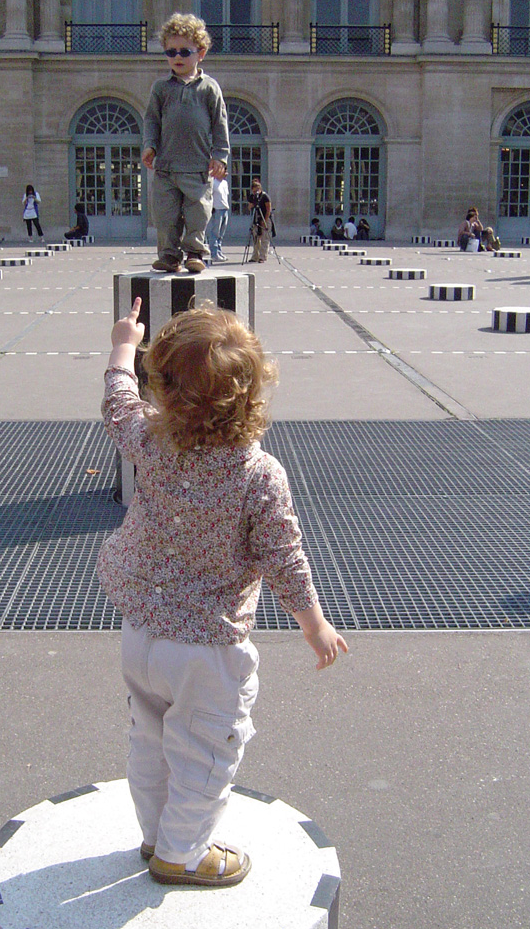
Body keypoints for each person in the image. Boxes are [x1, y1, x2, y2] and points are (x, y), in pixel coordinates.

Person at [99, 297, 347, 889]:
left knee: (150, 740)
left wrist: (123, 344)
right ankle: (182, 854)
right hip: (207, 647)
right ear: (251, 394)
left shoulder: (149, 439)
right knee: (206, 752)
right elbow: (284, 559)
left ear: (162, 388)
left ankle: (156, 836)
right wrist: (315, 626)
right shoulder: (258, 474)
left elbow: (117, 402)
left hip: (140, 630)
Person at [142, 13, 229, 274]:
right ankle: (169, 255)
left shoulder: (209, 88)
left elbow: (220, 123)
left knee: (197, 213)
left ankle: (194, 253)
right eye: (171, 52)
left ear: (200, 53)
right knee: (165, 215)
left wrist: (220, 156)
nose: (177, 57)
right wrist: (150, 145)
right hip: (166, 167)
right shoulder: (161, 88)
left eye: (184, 51)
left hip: (197, 167)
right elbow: (152, 120)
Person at [247, 179, 272, 262]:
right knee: (256, 238)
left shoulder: (265, 196)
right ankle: (255, 256)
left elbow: (268, 209)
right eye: (254, 191)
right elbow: (249, 207)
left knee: (265, 238)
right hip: (256, 218)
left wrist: (265, 220)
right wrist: (252, 203)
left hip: (265, 217)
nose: (256, 192)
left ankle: (262, 256)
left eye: (257, 190)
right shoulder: (252, 197)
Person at [207, 175, 230, 262]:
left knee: (221, 233)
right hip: (217, 209)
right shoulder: (213, 182)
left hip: (225, 208)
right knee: (215, 232)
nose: (226, 173)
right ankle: (214, 254)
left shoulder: (225, 183)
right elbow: (208, 195)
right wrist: (211, 207)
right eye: (225, 170)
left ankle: (219, 251)